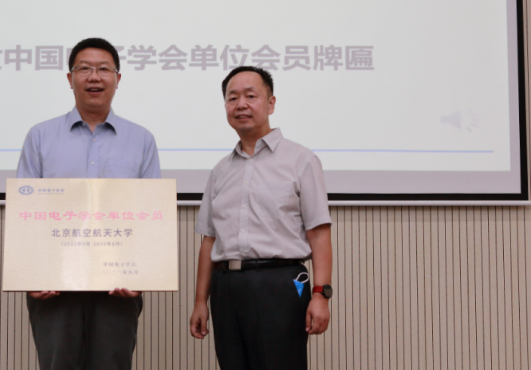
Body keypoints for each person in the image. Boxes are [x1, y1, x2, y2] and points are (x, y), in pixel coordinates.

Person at [17, 37, 161, 370]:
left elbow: (151, 217)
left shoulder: (141, 139)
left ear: (118, 79)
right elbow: (27, 214)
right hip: (54, 285)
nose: (94, 77)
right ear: (70, 78)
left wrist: (142, 276)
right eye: (84, 69)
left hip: (118, 285)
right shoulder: (40, 136)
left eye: (103, 69)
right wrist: (31, 274)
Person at [189, 66, 333, 370]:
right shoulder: (221, 170)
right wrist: (201, 301)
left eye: (250, 96)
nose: (240, 104)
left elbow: (319, 233)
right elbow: (209, 240)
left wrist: (321, 295)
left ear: (271, 103)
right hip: (226, 287)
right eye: (232, 98)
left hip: (281, 283)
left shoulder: (301, 160)